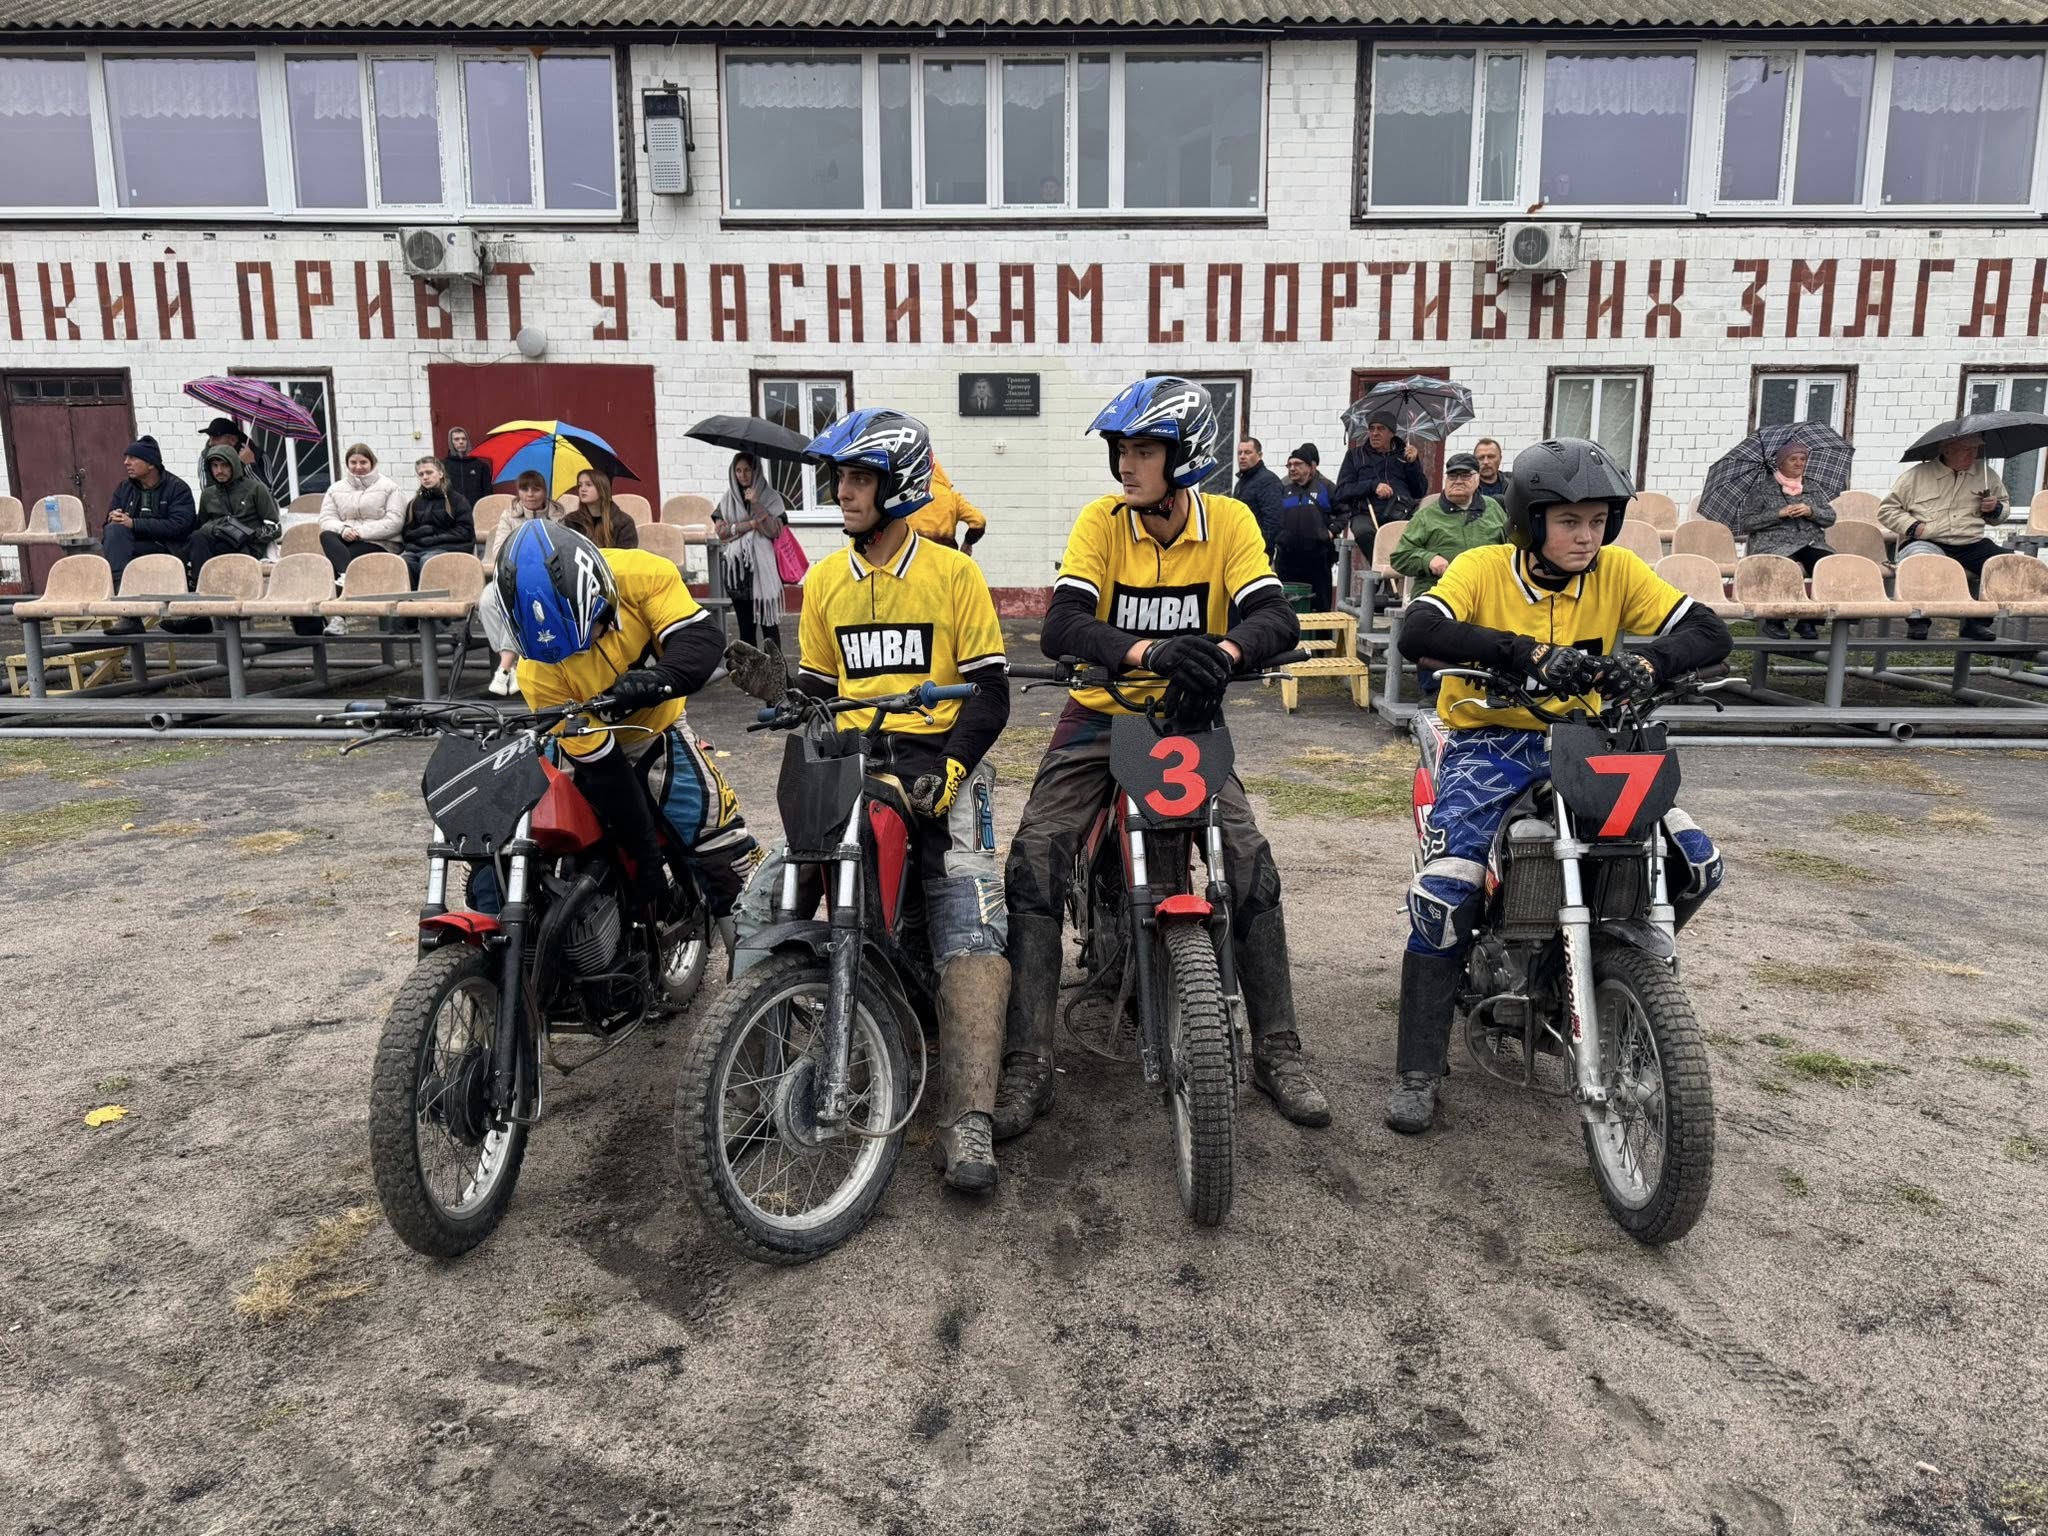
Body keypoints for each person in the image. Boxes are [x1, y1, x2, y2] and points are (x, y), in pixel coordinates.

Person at [995, 376, 1330, 1139]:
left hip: (1187, 718)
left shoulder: (1231, 520)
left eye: (1144, 450)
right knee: (1035, 857)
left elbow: (1275, 617)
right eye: (1122, 449)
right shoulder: (1102, 521)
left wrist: (1223, 656)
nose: (1126, 464)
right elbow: (1063, 625)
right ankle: (1028, 1062)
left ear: (1186, 456)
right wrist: (1151, 650)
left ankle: (1278, 1050)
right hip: (1100, 711)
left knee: (1249, 858)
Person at [1386, 439, 1732, 1134]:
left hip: (1590, 743)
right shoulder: (1483, 568)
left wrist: (1651, 664)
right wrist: (1527, 655)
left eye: (1598, 521)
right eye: (1569, 521)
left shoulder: (1620, 572)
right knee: (1446, 894)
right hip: (1490, 743)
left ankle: (1608, 965)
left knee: (1697, 862)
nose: (1586, 536)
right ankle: (1418, 1071)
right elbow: (1418, 629)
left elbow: (1707, 630)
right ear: (1531, 521)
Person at [794, 408, 1013, 1193]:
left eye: (859, 479)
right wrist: (792, 707)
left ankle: (970, 1120)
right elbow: (816, 696)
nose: (844, 493)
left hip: (947, 761)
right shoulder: (824, 582)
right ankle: (767, 1064)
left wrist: (951, 774)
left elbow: (991, 696)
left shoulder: (955, 575)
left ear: (900, 487)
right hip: (858, 765)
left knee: (973, 924)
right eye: (841, 479)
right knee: (784, 900)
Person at [499, 520, 758, 949]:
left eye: (584, 636)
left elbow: (701, 640)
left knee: (719, 843)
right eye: (563, 652)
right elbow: (605, 771)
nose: (579, 654)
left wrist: (657, 680)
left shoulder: (642, 573)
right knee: (532, 838)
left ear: (599, 598)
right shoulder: (535, 669)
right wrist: (645, 859)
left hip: (656, 725)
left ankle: (760, 969)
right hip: (585, 739)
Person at [1390, 451, 1507, 696]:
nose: (1458, 481)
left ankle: (1493, 688)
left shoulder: (1495, 510)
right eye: (1453, 476)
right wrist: (1428, 559)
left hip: (1487, 591)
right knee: (1431, 625)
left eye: (1465, 475)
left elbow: (1513, 549)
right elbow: (1399, 557)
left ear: (1477, 479)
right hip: (1439, 591)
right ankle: (1434, 692)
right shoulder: (1426, 516)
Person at [1879, 436, 2009, 643]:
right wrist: (1914, 527)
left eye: (1976, 449)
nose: (1972, 455)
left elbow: (2002, 513)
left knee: (2006, 565)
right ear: (1947, 450)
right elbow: (1887, 510)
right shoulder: (1917, 475)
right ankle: (1918, 619)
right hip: (1928, 540)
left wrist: (1995, 508)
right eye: (1966, 449)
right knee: (1920, 562)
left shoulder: (1987, 475)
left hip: (1971, 542)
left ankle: (1978, 622)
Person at [1734, 443, 1836, 643]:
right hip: (1772, 544)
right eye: (1793, 459)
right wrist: (1778, 514)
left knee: (1829, 564)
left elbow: (1830, 518)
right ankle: (1776, 619)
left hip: (1810, 543)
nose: (1799, 463)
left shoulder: (1811, 487)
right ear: (1781, 463)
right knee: (1784, 566)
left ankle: (1810, 620)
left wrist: (1811, 511)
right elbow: (1746, 523)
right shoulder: (1762, 489)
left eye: (1803, 459)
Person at [101, 436, 196, 633]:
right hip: (132, 550)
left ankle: (129, 612)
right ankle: (128, 611)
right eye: (126, 458)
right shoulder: (124, 488)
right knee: (114, 531)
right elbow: (108, 526)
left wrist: (134, 523)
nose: (126, 463)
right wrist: (113, 518)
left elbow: (180, 526)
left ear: (151, 463)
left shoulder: (177, 488)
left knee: (121, 544)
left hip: (168, 549)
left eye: (133, 458)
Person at [480, 470, 560, 696]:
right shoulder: (509, 516)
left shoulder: (557, 516)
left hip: (545, 580)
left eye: (536, 489)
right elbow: (499, 550)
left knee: (519, 602)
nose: (530, 494)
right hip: (511, 575)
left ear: (545, 491)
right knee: (487, 600)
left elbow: (558, 551)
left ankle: (504, 668)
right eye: (525, 489)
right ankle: (513, 666)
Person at [713, 451, 788, 655]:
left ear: (756, 471)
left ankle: (776, 670)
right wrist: (750, 525)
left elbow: (774, 531)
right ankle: (752, 672)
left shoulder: (771, 498)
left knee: (769, 628)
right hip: (738, 573)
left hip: (764, 571)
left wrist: (756, 503)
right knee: (746, 630)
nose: (743, 475)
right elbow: (721, 532)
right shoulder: (727, 500)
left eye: (747, 470)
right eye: (738, 470)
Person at [185, 443, 279, 581]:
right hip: (216, 543)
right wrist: (218, 527)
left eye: (224, 465)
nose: (219, 471)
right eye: (214, 466)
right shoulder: (208, 494)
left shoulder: (256, 489)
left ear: (233, 465)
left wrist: (249, 534)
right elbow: (202, 526)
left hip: (248, 546)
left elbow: (275, 527)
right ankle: (200, 583)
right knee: (197, 538)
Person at [1334, 412, 1427, 539]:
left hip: (1401, 513)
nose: (1375, 433)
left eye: (1381, 429)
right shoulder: (1355, 455)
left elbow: (1419, 492)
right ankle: (1379, 553)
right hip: (1366, 513)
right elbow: (1341, 491)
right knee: (1363, 531)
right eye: (1371, 429)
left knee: (1419, 531)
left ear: (1392, 433)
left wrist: (1413, 464)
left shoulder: (1405, 455)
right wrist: (1372, 486)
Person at [1273, 443, 1338, 611]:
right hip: (1287, 557)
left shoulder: (1326, 487)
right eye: (1289, 465)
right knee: (1285, 605)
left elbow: (1344, 512)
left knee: (1320, 605)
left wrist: (1331, 532)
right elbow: (1272, 515)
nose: (1292, 468)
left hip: (1317, 556)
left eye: (1297, 464)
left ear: (1311, 467)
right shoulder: (1282, 488)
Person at [397, 457, 475, 583]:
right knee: (401, 562)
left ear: (440, 474)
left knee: (428, 560)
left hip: (450, 548)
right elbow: (407, 533)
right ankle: (412, 594)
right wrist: (422, 534)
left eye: (429, 472)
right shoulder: (414, 503)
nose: (425, 477)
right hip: (419, 550)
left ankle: (431, 593)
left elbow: (465, 531)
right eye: (421, 474)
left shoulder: (457, 500)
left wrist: (435, 537)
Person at [906, 457, 988, 553]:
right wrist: (967, 543)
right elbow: (979, 521)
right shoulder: (952, 497)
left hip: (915, 552)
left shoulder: (907, 496)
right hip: (945, 554)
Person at [1233, 437, 1286, 555]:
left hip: (1257, 551)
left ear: (1259, 455)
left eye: (1248, 452)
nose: (1242, 457)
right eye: (1239, 453)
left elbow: (1273, 521)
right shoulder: (1242, 482)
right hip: (1240, 547)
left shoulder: (1268, 482)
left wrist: (1259, 547)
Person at [565, 468, 638, 550]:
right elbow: (567, 550)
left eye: (588, 485)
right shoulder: (571, 520)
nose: (583, 489)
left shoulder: (624, 522)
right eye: (580, 485)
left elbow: (627, 554)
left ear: (602, 489)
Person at [441, 426, 494, 508]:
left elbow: (488, 493)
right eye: (456, 439)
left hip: (475, 510)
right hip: (453, 511)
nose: (461, 442)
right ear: (451, 442)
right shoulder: (443, 466)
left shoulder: (481, 466)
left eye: (464, 439)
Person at [1473, 438, 1510, 504]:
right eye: (1481, 458)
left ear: (1500, 458)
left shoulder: (1512, 484)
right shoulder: (1468, 487)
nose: (1486, 462)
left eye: (1491, 457)